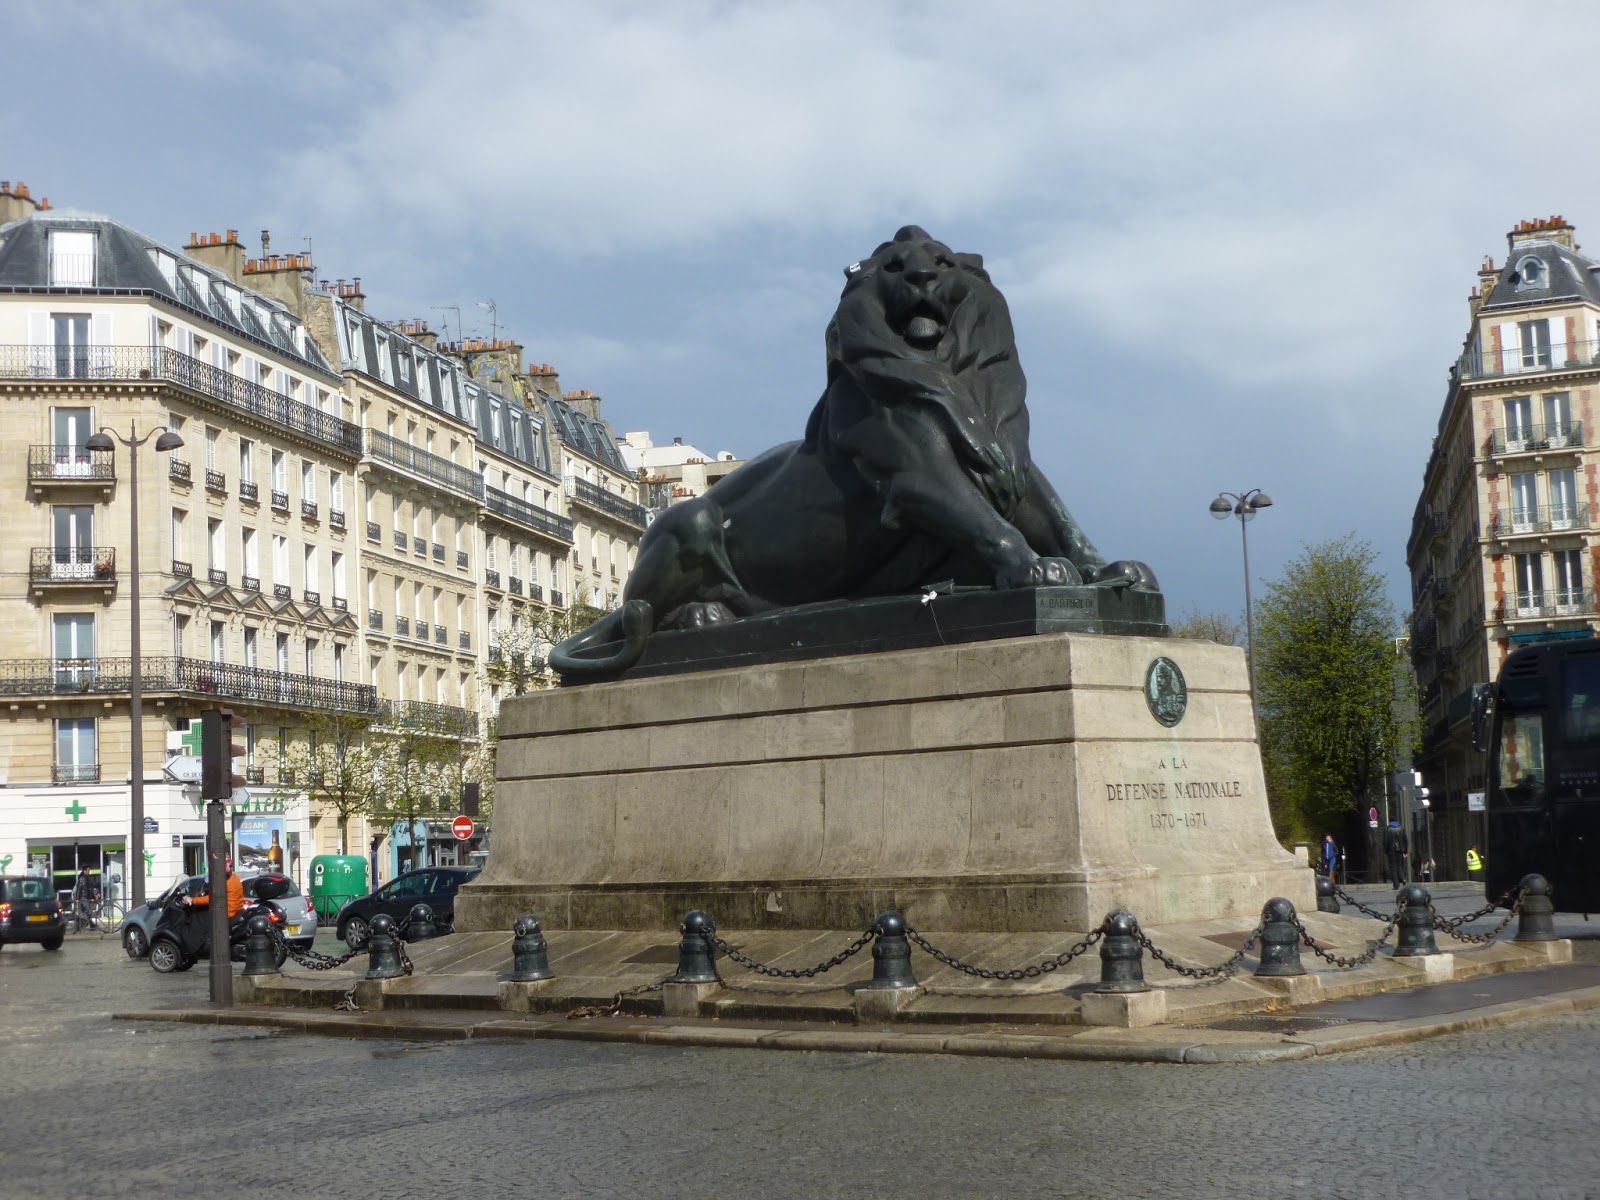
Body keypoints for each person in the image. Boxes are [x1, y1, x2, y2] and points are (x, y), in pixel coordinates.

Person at [1383, 820, 1409, 888]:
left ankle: (1396, 885)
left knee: (1393, 867)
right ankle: (1403, 878)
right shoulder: (1401, 828)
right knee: (1399, 865)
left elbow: (1385, 841)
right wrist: (1405, 851)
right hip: (1400, 850)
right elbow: (1405, 839)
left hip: (1391, 850)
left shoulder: (1387, 829)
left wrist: (1385, 850)